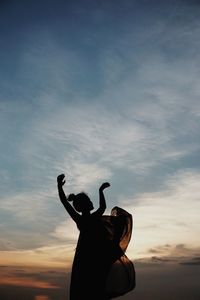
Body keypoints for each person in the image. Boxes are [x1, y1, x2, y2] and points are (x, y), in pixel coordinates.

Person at [57, 174, 135, 300]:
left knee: (97, 284)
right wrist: (59, 186)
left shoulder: (91, 217)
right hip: (90, 256)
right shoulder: (81, 219)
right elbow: (64, 201)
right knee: (94, 285)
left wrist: (101, 190)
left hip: (96, 254)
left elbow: (102, 207)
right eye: (89, 200)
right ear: (84, 205)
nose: (91, 202)